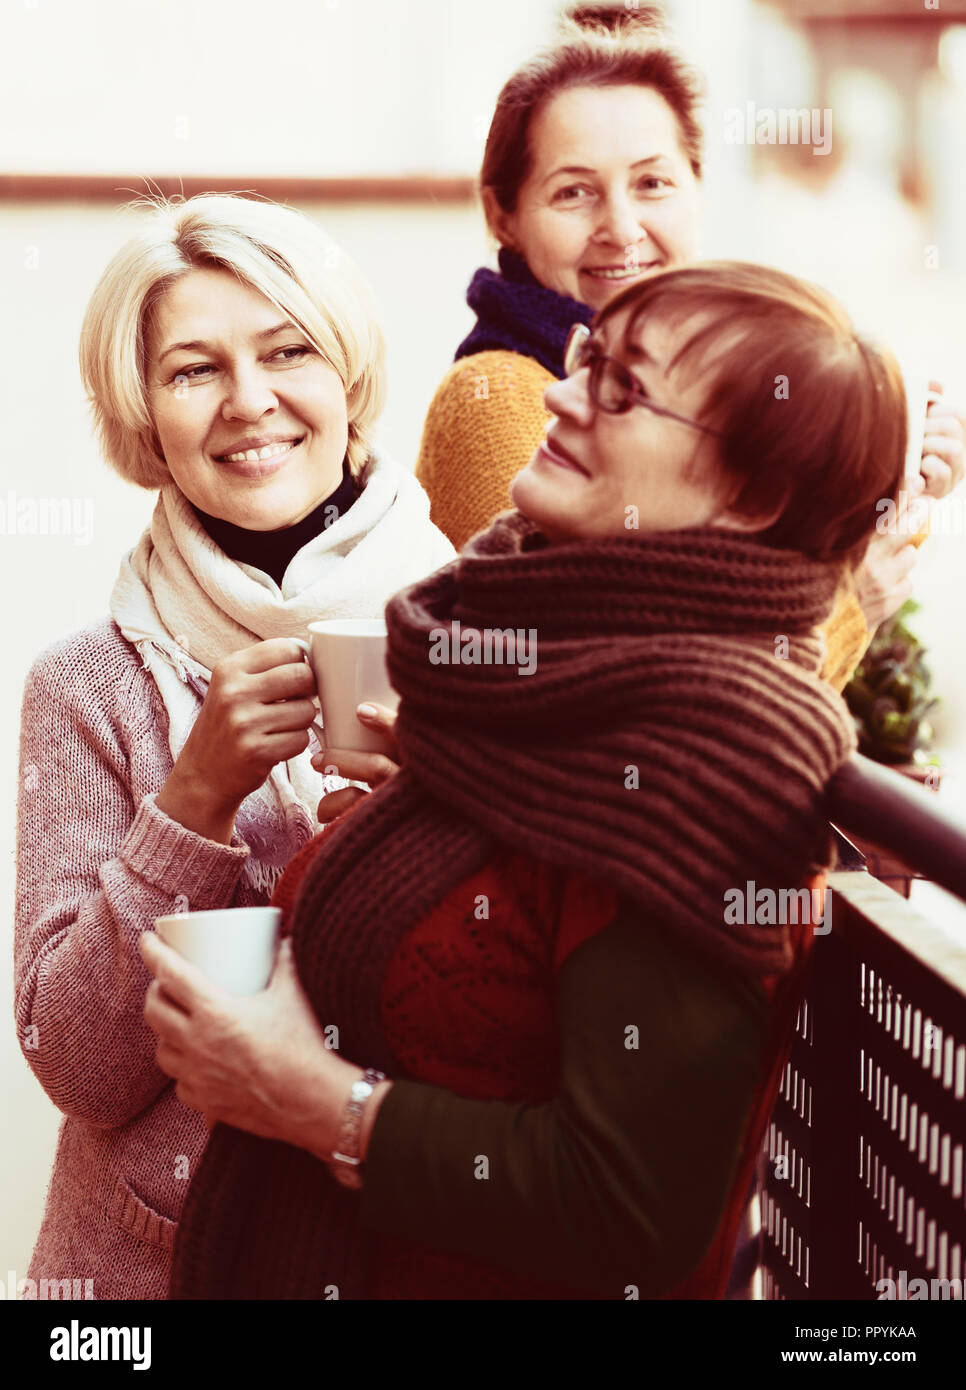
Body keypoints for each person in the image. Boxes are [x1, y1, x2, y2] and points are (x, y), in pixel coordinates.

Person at [144, 260, 904, 1300]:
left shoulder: (706, 753)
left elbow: (631, 1209)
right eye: (589, 354)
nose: (561, 391)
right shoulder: (558, 693)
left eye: (624, 388)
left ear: (752, 497)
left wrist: (307, 1097)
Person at [13, 194, 454, 1301]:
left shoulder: (478, 629)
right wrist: (193, 802)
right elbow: (76, 1067)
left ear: (345, 371)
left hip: (415, 1254)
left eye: (287, 349)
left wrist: (429, 828)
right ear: (144, 417)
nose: (248, 402)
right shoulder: (86, 685)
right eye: (193, 370)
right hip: (149, 1280)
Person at [414, 5, 964, 689]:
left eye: (652, 183)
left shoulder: (719, 382)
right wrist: (851, 604)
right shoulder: (495, 395)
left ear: (699, 188)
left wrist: (890, 483)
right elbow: (592, 690)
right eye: (574, 192)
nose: (621, 227)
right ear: (504, 215)